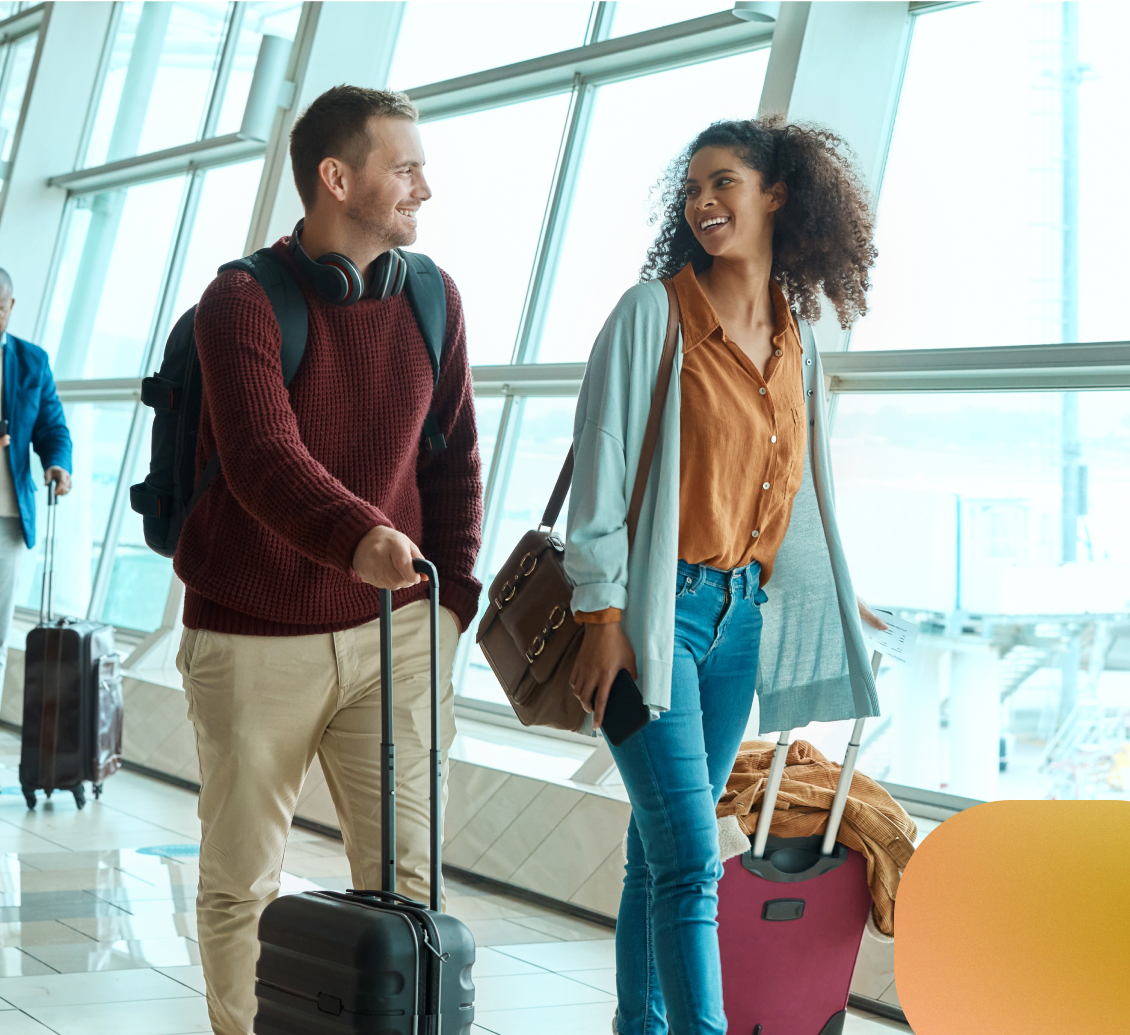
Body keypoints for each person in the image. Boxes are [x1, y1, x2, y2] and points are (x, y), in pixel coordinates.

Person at [564, 117, 890, 1035]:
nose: (704, 204)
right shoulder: (653, 314)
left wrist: (836, 593)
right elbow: (601, 465)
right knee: (694, 859)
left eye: (725, 186)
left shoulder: (798, 336)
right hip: (658, 614)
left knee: (657, 852)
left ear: (778, 195)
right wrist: (602, 614)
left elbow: (797, 488)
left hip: (742, 617)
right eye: (694, 190)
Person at [173, 86, 482, 1035]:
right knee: (243, 881)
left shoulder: (431, 294)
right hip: (256, 631)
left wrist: (453, 593)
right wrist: (361, 537)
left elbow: (453, 454)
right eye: (407, 167)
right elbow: (265, 457)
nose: (425, 187)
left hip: (397, 630)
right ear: (337, 178)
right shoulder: (242, 300)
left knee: (408, 877)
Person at [0, 267, 73, 692]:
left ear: (12, 306)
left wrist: (57, 463)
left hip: (9, 518)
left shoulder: (32, 362)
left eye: (0, 308)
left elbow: (52, 429)